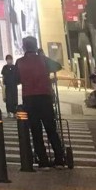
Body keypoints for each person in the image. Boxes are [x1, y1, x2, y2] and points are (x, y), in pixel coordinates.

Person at [15, 36, 66, 167]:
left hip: (29, 99)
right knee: (51, 129)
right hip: (45, 97)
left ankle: (43, 161)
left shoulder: (20, 62)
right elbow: (58, 66)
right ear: (36, 46)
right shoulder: (43, 60)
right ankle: (59, 159)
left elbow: (16, 79)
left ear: (24, 47)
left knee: (36, 131)